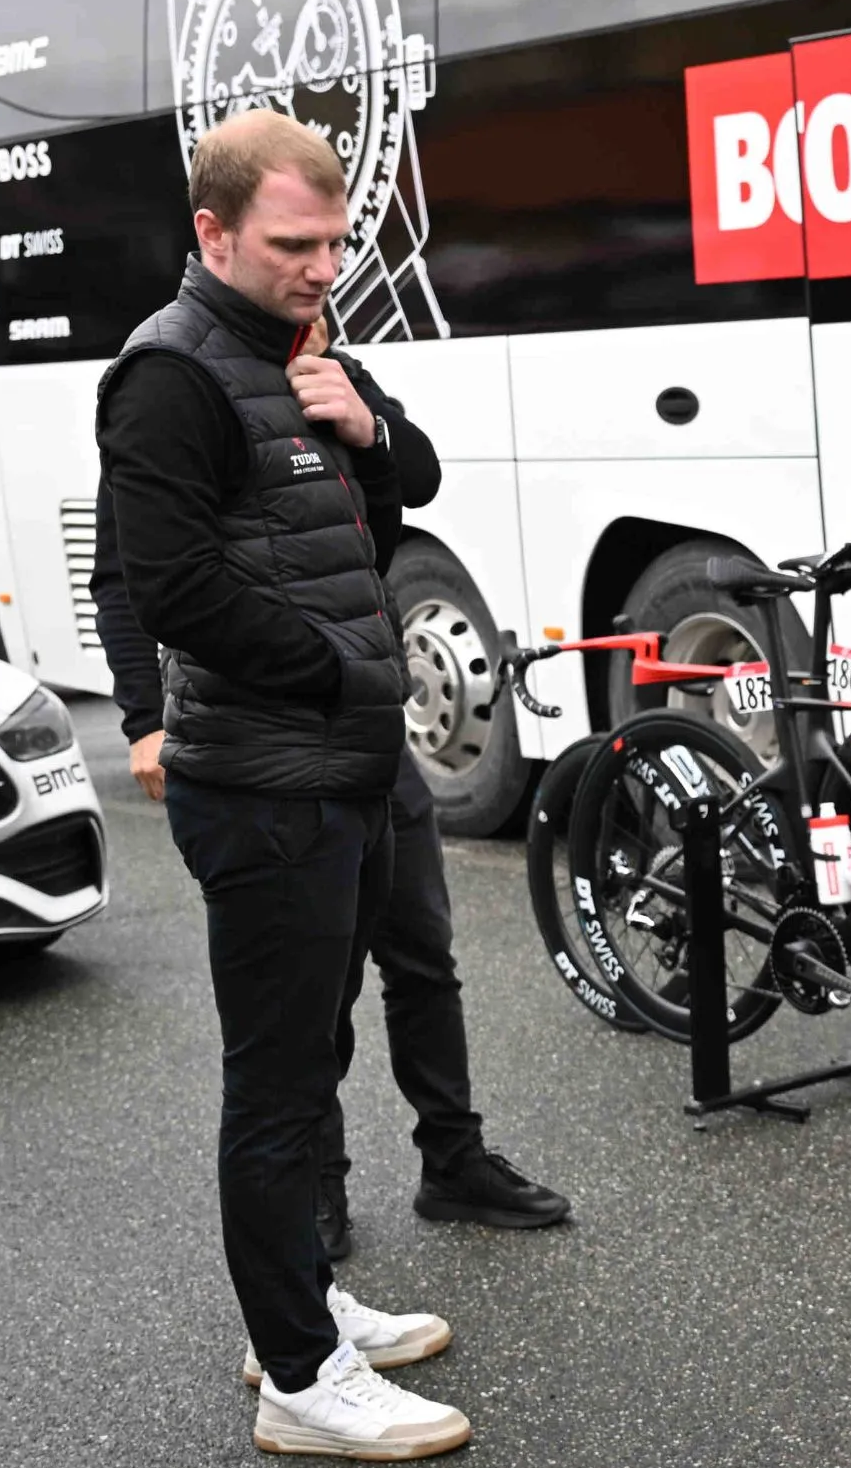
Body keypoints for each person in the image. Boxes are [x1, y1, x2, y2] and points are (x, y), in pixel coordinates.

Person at [101, 111, 470, 1461]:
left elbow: (387, 500)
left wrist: (361, 427)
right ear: (211, 234)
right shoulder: (171, 373)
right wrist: (343, 677)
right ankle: (300, 1381)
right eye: (291, 245)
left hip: (332, 771)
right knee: (273, 1084)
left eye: (334, 242)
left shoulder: (289, 358)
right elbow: (173, 587)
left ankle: (298, 1308)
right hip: (265, 780)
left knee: (312, 1061)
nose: (323, 269)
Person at [86, 499, 569, 1250]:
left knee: (423, 955)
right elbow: (124, 579)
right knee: (316, 984)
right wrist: (144, 719)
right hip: (266, 747)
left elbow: (414, 473)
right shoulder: (170, 391)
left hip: (369, 731)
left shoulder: (328, 381)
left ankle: (453, 1160)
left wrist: (365, 421)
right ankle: (318, 1181)